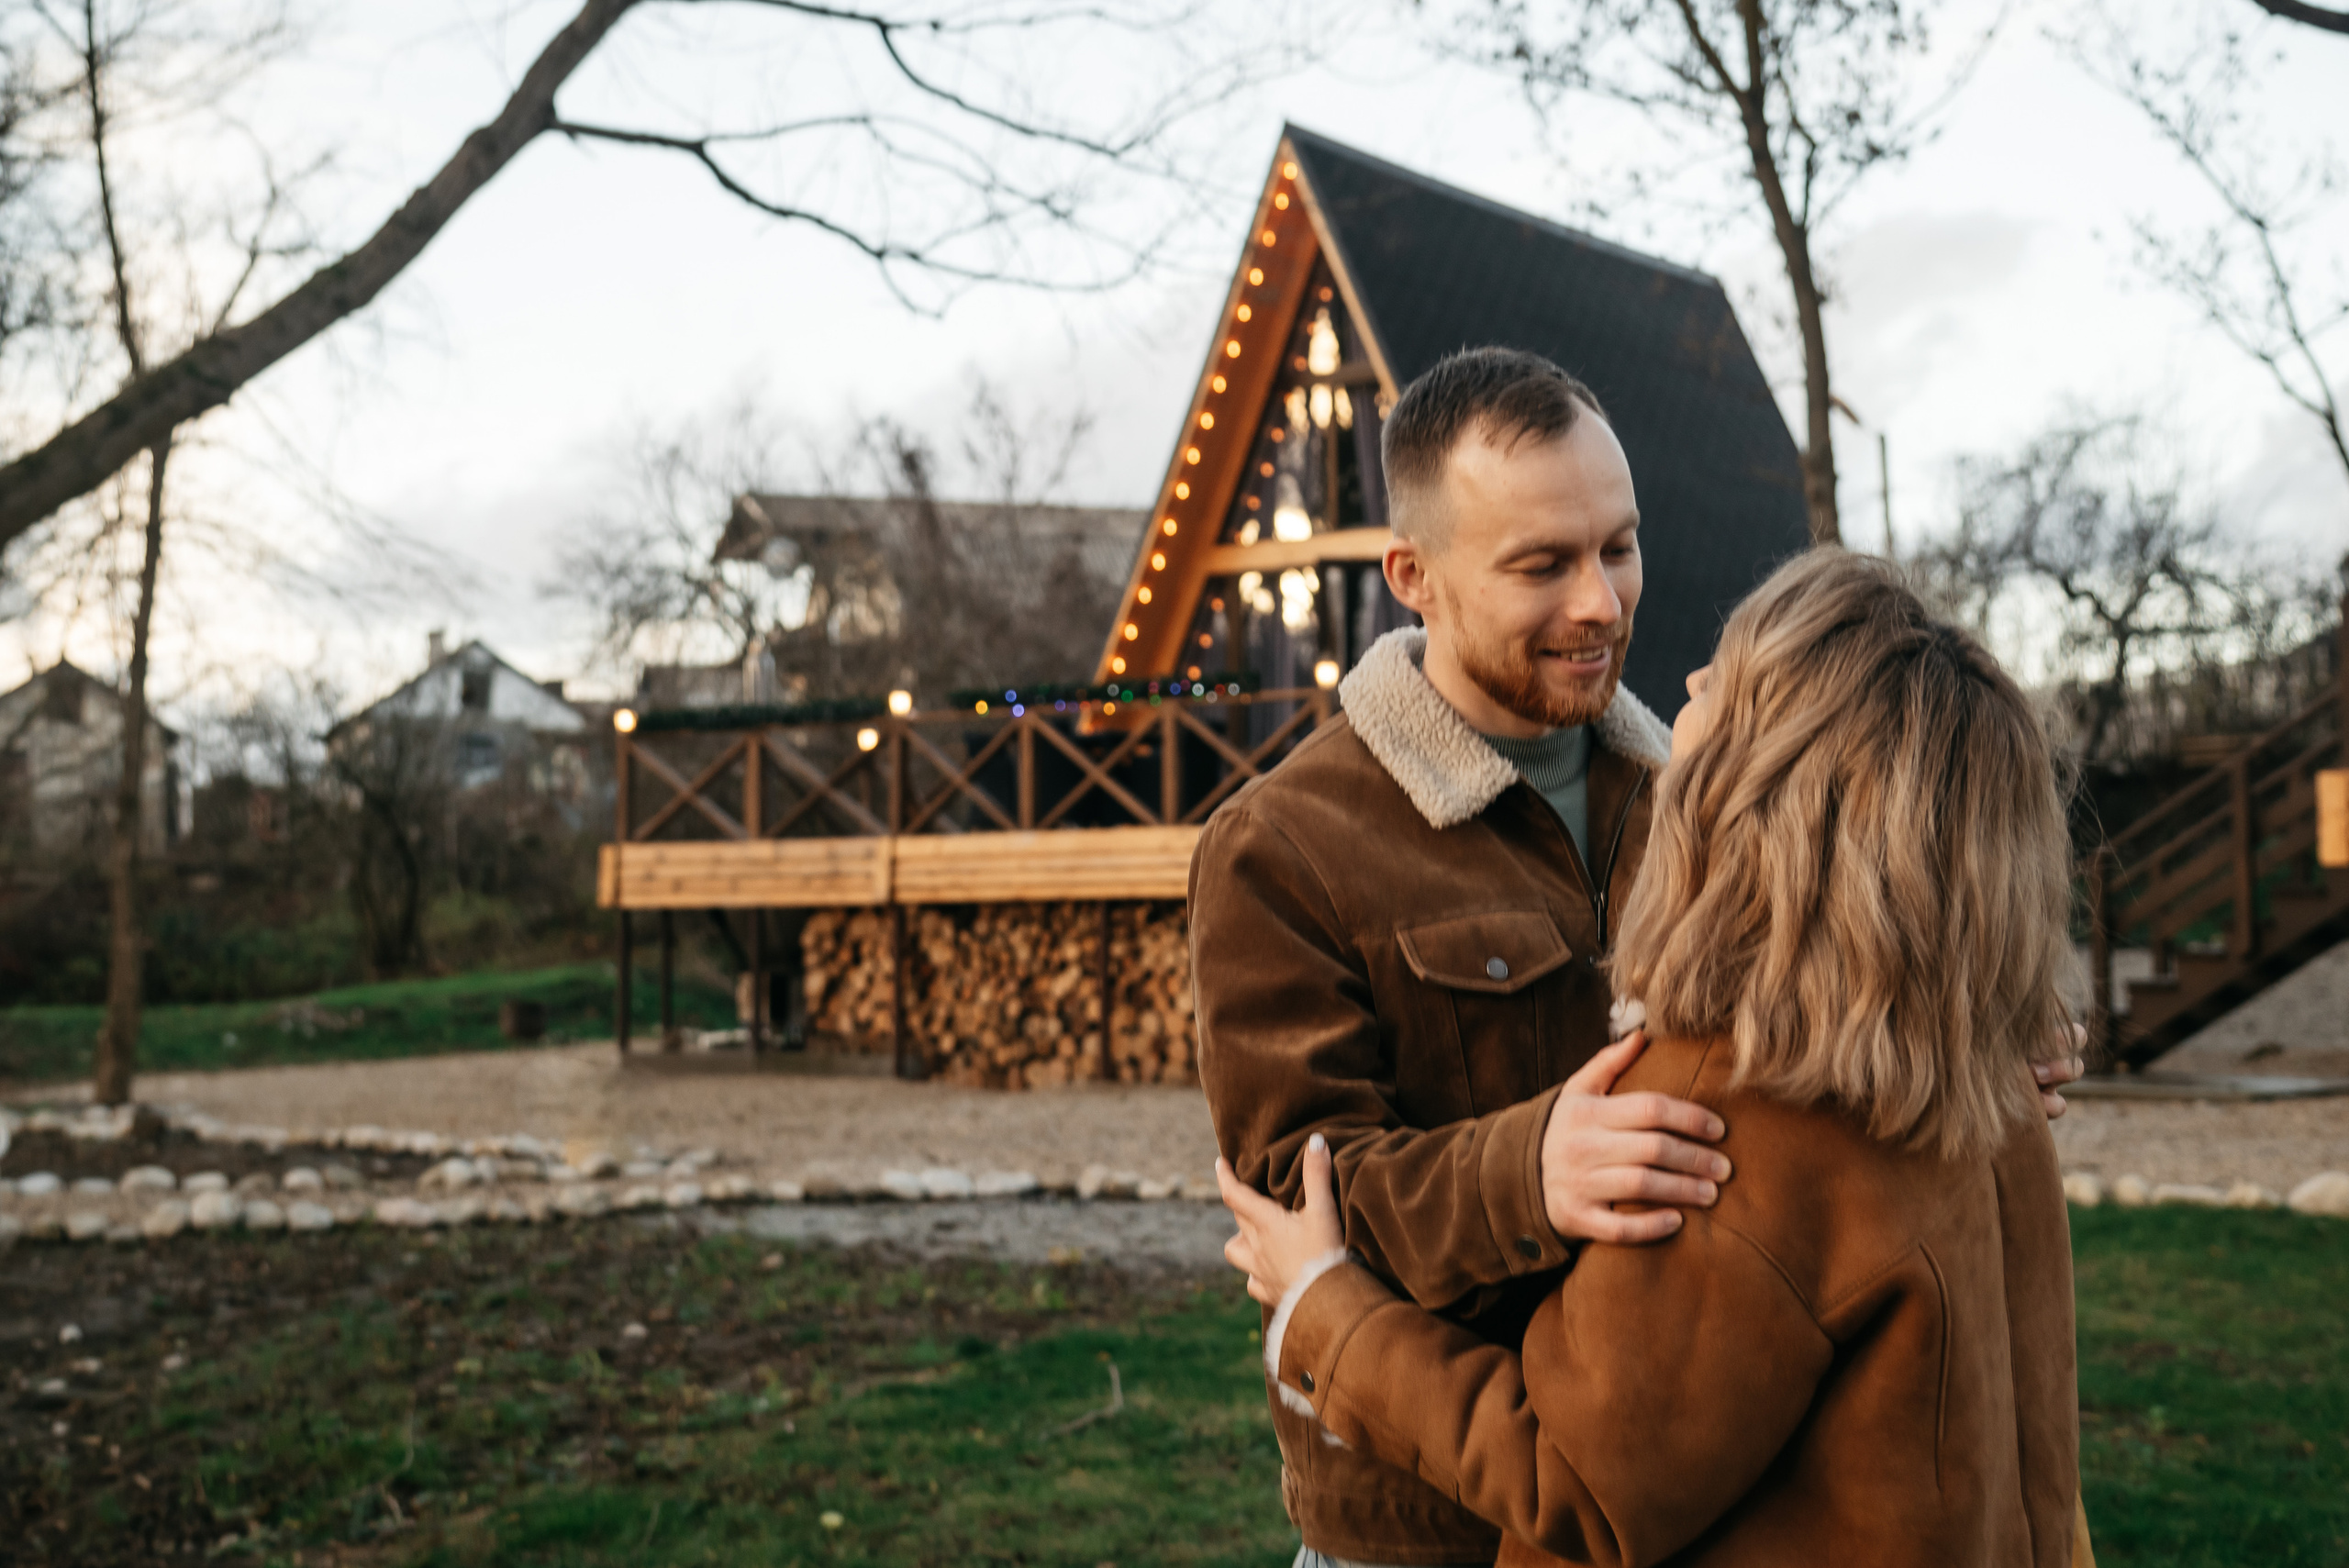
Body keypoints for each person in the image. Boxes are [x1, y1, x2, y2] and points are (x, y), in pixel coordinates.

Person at [1187, 347, 2084, 1568]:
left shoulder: (1712, 789)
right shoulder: (1283, 844)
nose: (1603, 601)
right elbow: (1297, 1200)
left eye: (1619, 545)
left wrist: (1958, 1013)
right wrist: (1528, 1166)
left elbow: (1823, 1030)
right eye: (1543, 564)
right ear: (1417, 578)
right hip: (1426, 1519)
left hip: (1710, 1488)